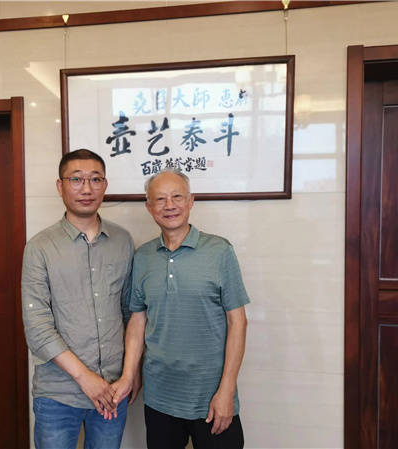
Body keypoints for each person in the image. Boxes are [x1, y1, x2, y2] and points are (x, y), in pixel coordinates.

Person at [112, 169, 249, 449]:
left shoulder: (220, 251)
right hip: (160, 396)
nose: (169, 205)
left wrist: (226, 390)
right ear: (149, 207)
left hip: (211, 396)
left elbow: (238, 322)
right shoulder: (143, 256)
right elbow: (137, 320)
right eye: (160, 199)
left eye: (177, 197)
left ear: (190, 201)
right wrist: (128, 375)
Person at [21, 149, 137, 449]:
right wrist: (86, 378)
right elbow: (37, 328)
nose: (86, 189)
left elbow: (130, 313)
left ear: (105, 185)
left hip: (113, 389)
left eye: (95, 179)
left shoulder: (123, 241)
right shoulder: (39, 247)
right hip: (58, 394)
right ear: (60, 186)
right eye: (76, 179)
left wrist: (130, 373)